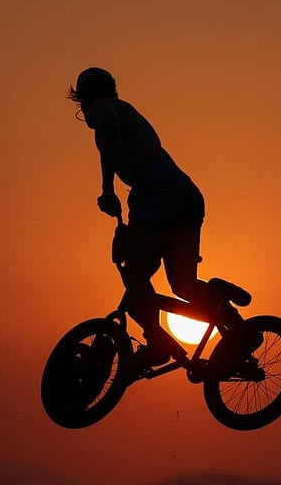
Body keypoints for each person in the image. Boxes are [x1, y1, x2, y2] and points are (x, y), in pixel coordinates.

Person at [68, 67, 257, 366]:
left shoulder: (105, 108)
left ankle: (156, 341)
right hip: (186, 195)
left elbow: (107, 131)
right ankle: (232, 318)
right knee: (183, 284)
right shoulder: (131, 117)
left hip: (156, 194)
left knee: (136, 275)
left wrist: (107, 189)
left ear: (86, 100)